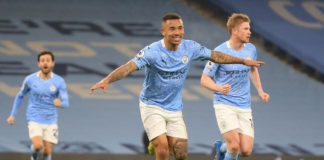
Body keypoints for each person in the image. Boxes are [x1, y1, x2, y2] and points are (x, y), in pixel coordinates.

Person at [90, 12, 263, 160]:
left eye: (180, 28)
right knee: (163, 149)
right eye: (172, 29)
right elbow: (129, 67)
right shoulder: (152, 52)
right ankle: (156, 142)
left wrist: (243, 61)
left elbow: (216, 56)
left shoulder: (190, 47)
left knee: (181, 154)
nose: (177, 32)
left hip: (174, 108)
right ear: (163, 31)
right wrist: (106, 80)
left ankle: (154, 140)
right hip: (152, 105)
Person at [200, 13, 270, 160]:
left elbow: (253, 69)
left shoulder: (251, 49)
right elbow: (204, 79)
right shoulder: (219, 52)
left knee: (246, 151)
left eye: (249, 28)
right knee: (234, 146)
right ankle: (227, 149)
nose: (249, 32)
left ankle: (221, 149)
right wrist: (218, 88)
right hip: (224, 104)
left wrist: (260, 90)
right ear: (234, 31)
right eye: (245, 29)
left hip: (244, 105)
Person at [7, 51, 69, 160]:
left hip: (51, 120)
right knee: (38, 146)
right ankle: (33, 156)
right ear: (38, 64)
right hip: (34, 118)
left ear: (53, 63)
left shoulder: (59, 82)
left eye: (48, 60)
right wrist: (12, 115)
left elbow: (66, 102)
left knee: (47, 152)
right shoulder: (30, 80)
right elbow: (20, 95)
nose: (45, 63)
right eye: (42, 61)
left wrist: (61, 104)